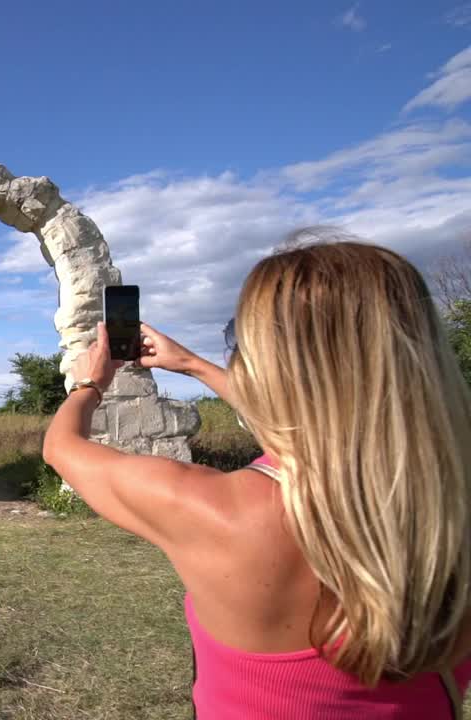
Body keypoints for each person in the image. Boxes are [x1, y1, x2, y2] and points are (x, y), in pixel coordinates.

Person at [42, 240, 471, 719]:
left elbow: (63, 448)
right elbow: (315, 424)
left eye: (237, 340)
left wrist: (90, 383)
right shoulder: (450, 498)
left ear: (270, 366)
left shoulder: (226, 513)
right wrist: (191, 364)